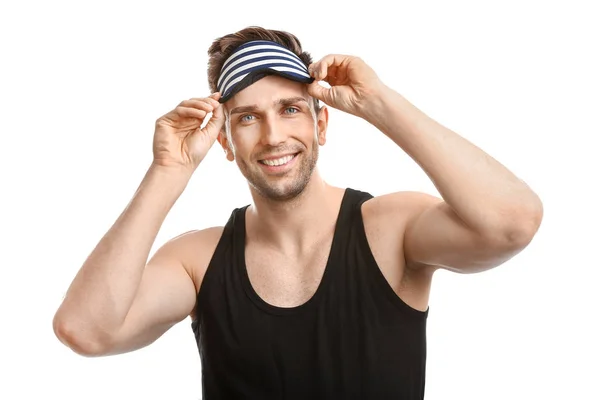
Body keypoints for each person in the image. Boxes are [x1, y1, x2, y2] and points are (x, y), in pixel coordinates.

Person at [52, 26, 544, 399]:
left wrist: (379, 104)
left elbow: (512, 222)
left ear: (321, 122)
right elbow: (87, 330)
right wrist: (167, 170)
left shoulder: (390, 230)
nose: (272, 137)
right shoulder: (197, 261)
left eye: (290, 109)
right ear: (224, 140)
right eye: (247, 117)